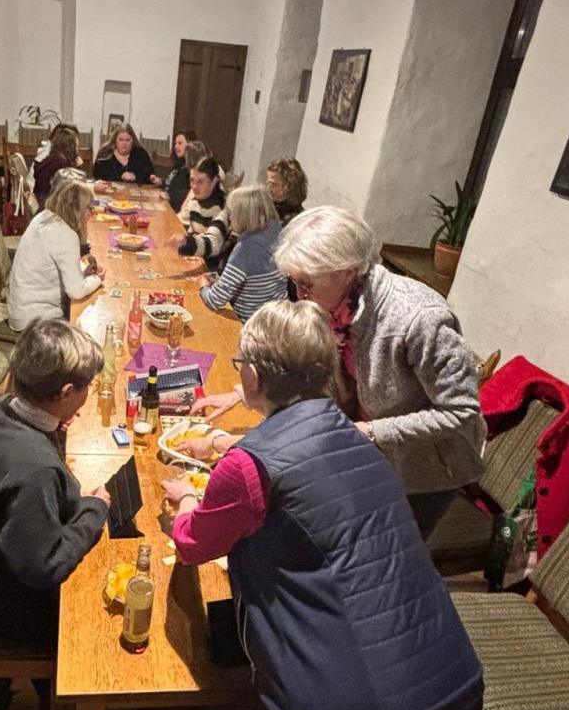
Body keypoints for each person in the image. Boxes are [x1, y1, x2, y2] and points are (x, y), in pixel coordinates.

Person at [162, 300, 482, 710]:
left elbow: (193, 545)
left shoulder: (248, 469)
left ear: (254, 376)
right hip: (454, 696)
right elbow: (301, 463)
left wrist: (186, 500)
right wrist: (225, 446)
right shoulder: (354, 433)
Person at [196, 206, 484, 537]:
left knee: (390, 553)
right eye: (295, 283)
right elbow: (311, 368)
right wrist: (242, 391)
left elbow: (461, 411)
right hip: (369, 445)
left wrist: (373, 432)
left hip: (427, 469)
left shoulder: (420, 318)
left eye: (306, 284)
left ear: (346, 271)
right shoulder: (334, 302)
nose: (300, 295)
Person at [0, 319, 111, 650]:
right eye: (88, 387)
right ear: (67, 392)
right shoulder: (36, 471)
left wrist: (54, 426)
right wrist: (94, 510)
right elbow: (45, 567)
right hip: (14, 606)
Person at [6, 175, 103, 331]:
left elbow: (55, 269)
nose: (91, 213)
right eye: (89, 208)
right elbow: (76, 292)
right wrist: (97, 279)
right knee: (89, 329)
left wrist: (84, 274)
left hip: (19, 308)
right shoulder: (65, 234)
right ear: (75, 209)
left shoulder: (43, 218)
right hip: (34, 321)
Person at [199, 184, 288, 322]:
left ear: (244, 215)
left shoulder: (246, 248)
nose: (229, 218)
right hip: (277, 319)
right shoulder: (277, 230)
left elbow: (215, 300)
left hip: (249, 323)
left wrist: (203, 287)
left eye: (232, 213)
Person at [176, 156, 229, 267]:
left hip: (209, 267)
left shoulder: (222, 209)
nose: (194, 187)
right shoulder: (196, 201)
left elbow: (213, 244)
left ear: (214, 181)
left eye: (200, 182)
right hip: (193, 258)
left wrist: (186, 243)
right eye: (192, 180)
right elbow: (187, 227)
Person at [32, 124, 83, 205]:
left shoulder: (54, 157)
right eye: (76, 145)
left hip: (43, 200)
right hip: (49, 205)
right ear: (69, 146)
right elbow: (73, 190)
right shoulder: (60, 163)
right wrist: (78, 167)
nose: (79, 147)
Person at [92, 124, 158, 187]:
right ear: (115, 140)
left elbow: (149, 177)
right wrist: (120, 177)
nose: (124, 143)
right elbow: (97, 177)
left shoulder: (141, 154)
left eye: (128, 140)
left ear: (133, 141)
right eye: (121, 140)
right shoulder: (104, 153)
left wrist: (135, 177)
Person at [265, 155, 308, 225]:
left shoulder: (298, 221)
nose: (268, 188)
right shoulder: (268, 208)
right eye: (268, 183)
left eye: (274, 184)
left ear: (289, 186)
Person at [166, 132, 190, 213]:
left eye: (180, 143)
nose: (176, 146)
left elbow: (187, 193)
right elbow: (171, 184)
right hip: (168, 204)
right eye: (175, 144)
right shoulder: (178, 163)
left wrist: (170, 196)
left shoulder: (190, 168)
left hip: (177, 210)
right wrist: (161, 182)